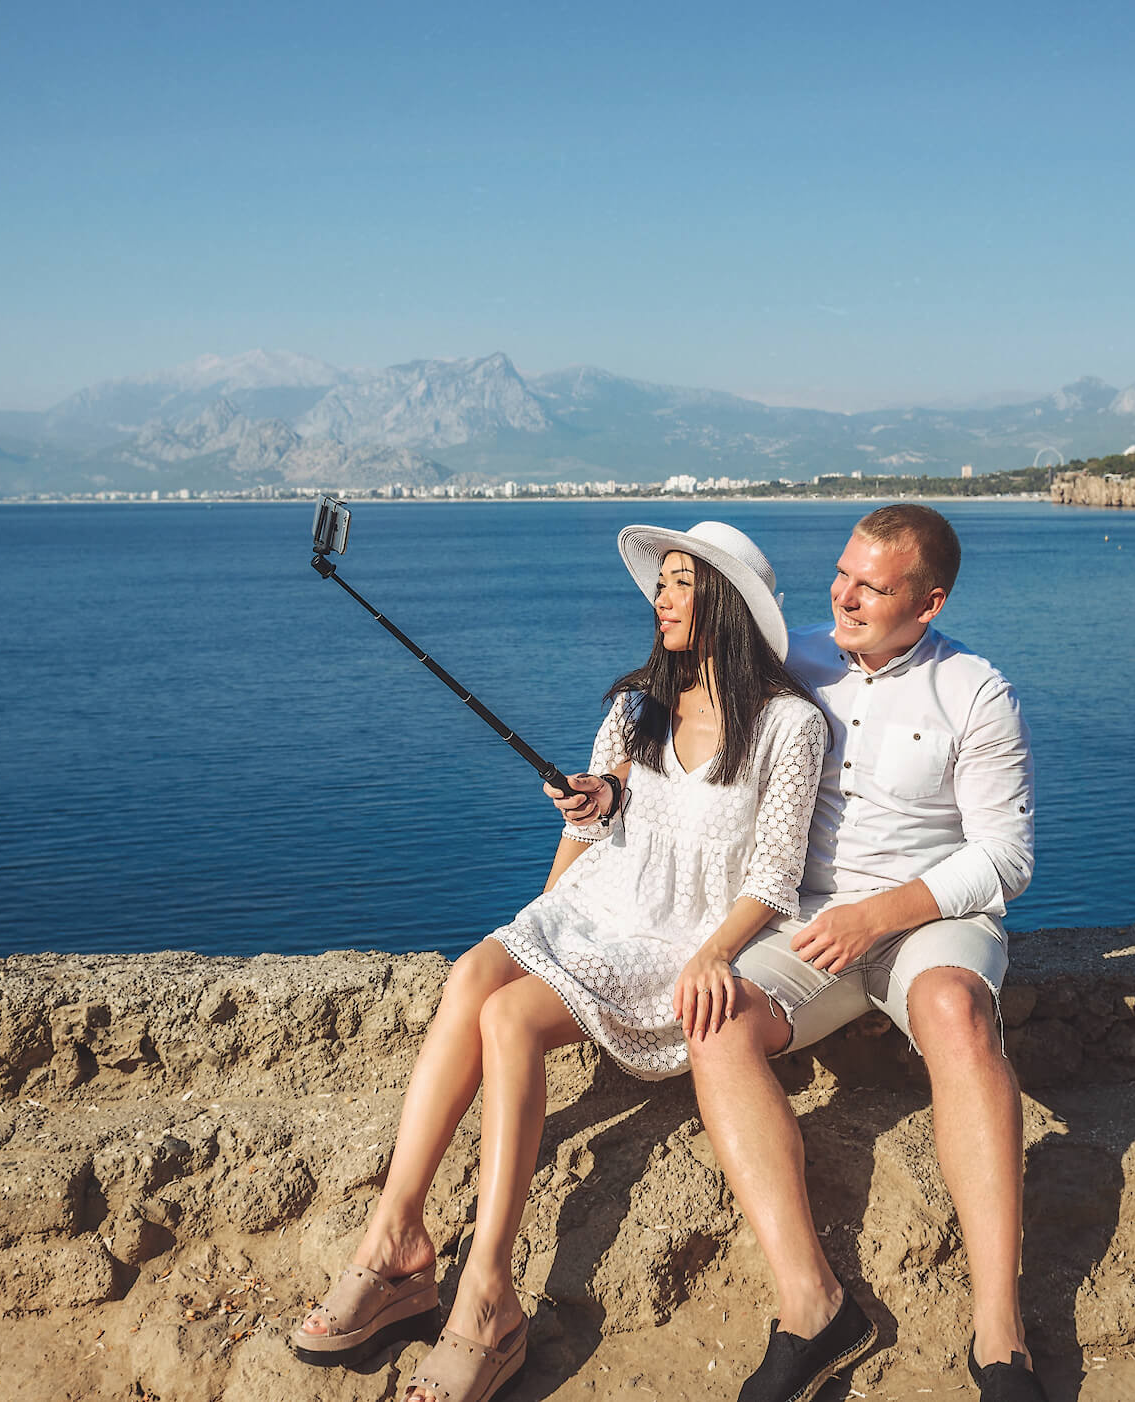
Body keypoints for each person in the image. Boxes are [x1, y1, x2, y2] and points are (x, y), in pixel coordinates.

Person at [293, 520, 830, 1402]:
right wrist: (564, 856)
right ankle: (394, 1237)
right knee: (473, 973)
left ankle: (488, 1291)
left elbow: (773, 880)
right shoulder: (633, 705)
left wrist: (717, 956)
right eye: (661, 581)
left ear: (727, 602)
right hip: (598, 904)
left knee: (507, 1015)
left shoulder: (787, 725)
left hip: (680, 940)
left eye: (683, 582)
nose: (661, 595)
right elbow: (592, 829)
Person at [672, 504, 1043, 1402]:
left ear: (929, 601)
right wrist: (606, 790)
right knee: (713, 1022)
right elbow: (678, 701)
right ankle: (815, 1306)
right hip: (810, 930)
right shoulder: (790, 658)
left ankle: (1001, 1333)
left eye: (872, 587)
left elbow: (1007, 857)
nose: (843, 595)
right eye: (842, 573)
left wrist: (881, 917)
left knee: (955, 1011)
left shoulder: (975, 690)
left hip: (929, 922)